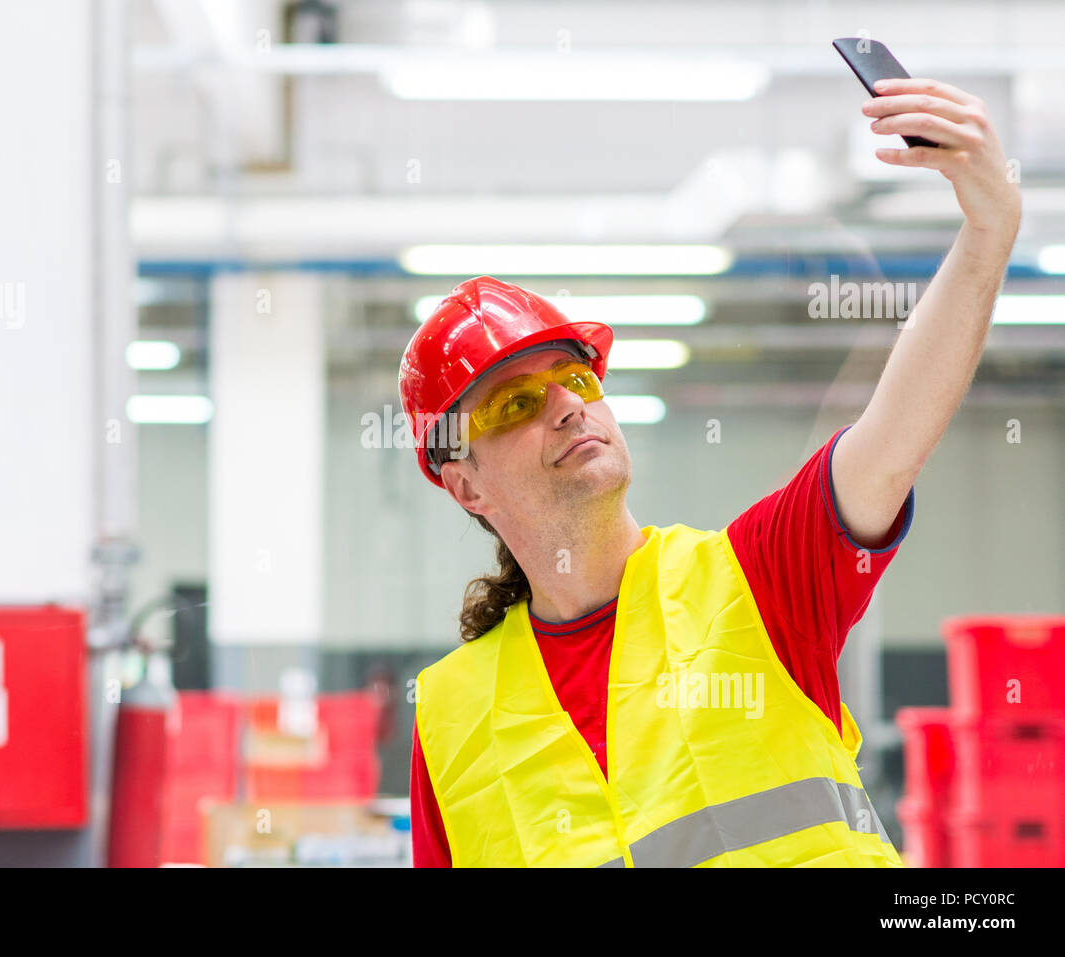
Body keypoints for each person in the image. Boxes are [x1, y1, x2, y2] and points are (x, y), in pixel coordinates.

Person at [399, 77, 1021, 867]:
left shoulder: (756, 581)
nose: (566, 406)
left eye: (578, 379)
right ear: (465, 484)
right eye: (516, 402)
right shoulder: (448, 717)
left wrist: (986, 233)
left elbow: (894, 436)